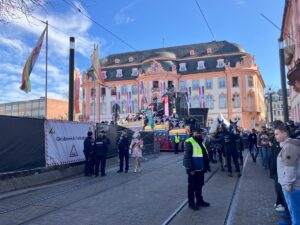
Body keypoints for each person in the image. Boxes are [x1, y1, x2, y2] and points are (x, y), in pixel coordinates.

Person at [275, 124, 300, 225]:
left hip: (293, 187)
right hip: (292, 185)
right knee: (294, 212)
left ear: (285, 134)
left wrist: (288, 184)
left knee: (296, 216)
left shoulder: (289, 147)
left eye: (277, 134)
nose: (275, 136)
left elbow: (290, 168)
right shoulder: (287, 145)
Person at [183, 128, 211, 210]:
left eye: (202, 133)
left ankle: (200, 201)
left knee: (199, 185)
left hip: (200, 168)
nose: (201, 134)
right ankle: (191, 204)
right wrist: (190, 169)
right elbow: (187, 156)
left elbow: (203, 154)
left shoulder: (201, 141)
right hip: (193, 170)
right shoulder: (190, 141)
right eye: (200, 133)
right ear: (195, 133)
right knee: (192, 187)